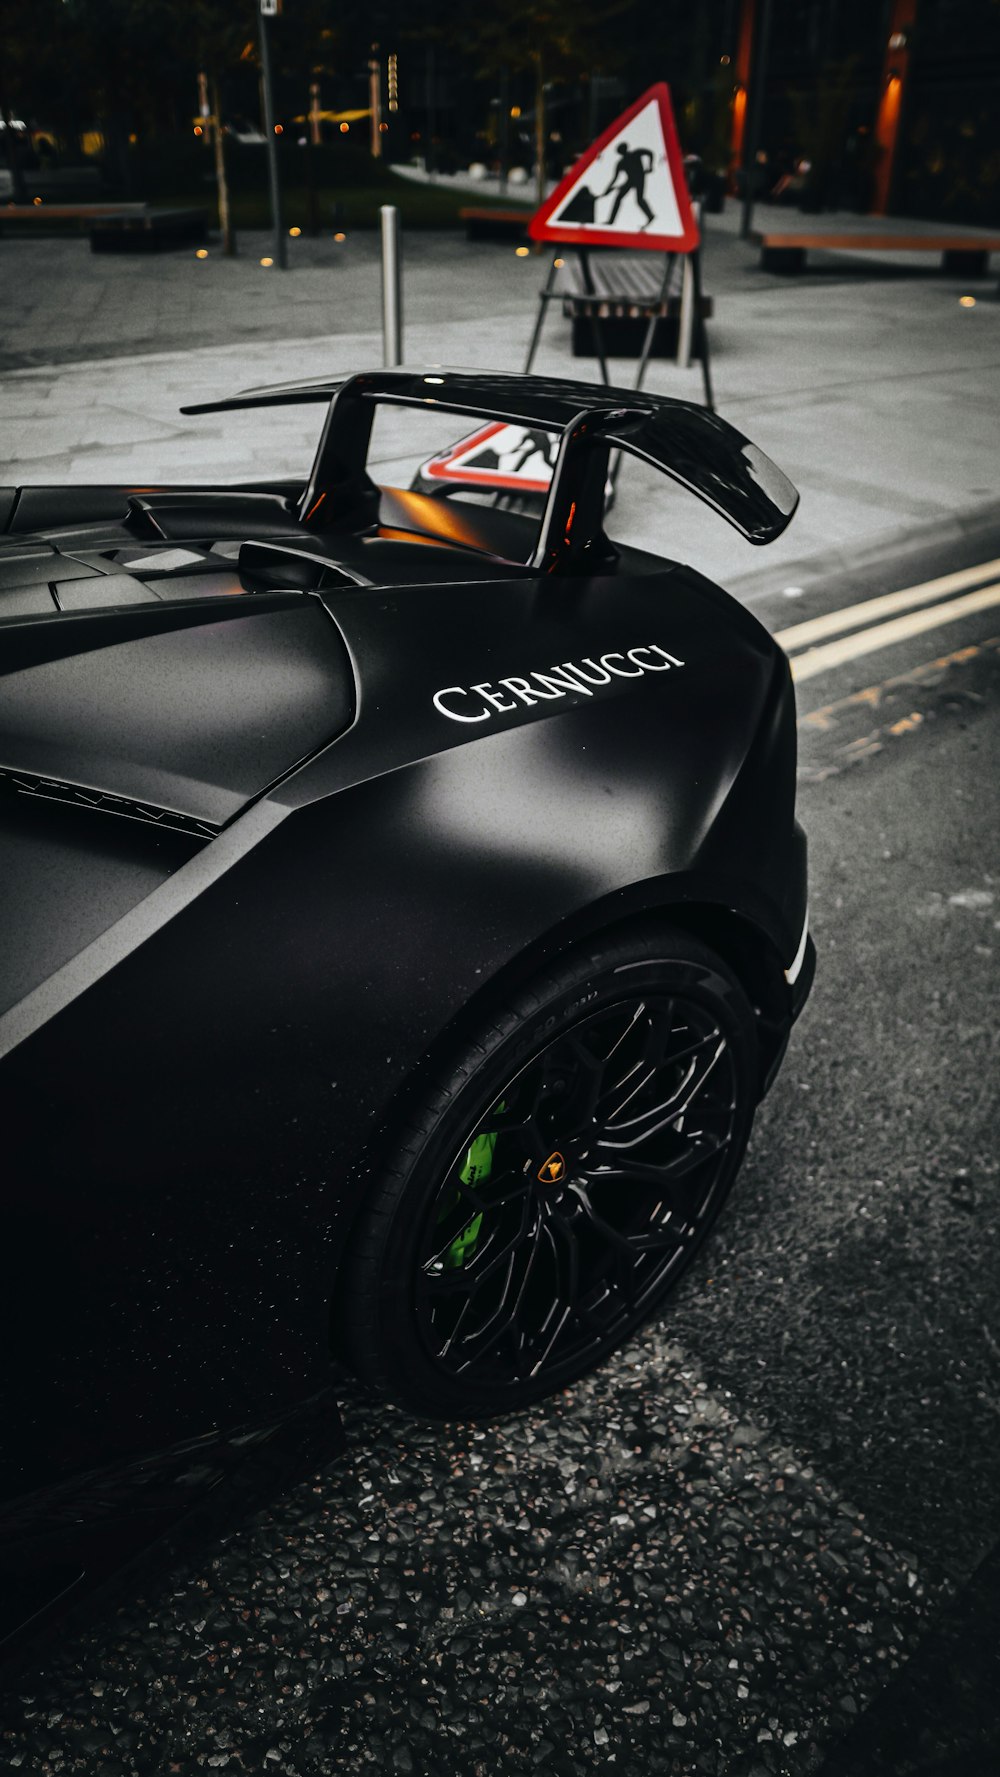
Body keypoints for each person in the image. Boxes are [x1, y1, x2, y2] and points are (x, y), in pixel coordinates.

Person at [600, 141, 655, 228]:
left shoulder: (636, 153)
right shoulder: (621, 163)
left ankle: (650, 216)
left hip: (639, 179)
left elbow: (650, 153)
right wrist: (607, 189)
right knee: (619, 198)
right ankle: (611, 220)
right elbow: (615, 178)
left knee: (639, 200)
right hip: (631, 181)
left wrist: (651, 166)